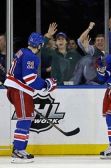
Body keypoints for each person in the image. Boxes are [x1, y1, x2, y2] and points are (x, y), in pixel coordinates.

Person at [4, 32, 57, 163]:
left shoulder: (22, 51)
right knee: (25, 118)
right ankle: (18, 150)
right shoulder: (30, 56)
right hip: (20, 90)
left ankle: (20, 149)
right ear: (39, 45)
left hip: (17, 89)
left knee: (26, 117)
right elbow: (29, 79)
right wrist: (46, 84)